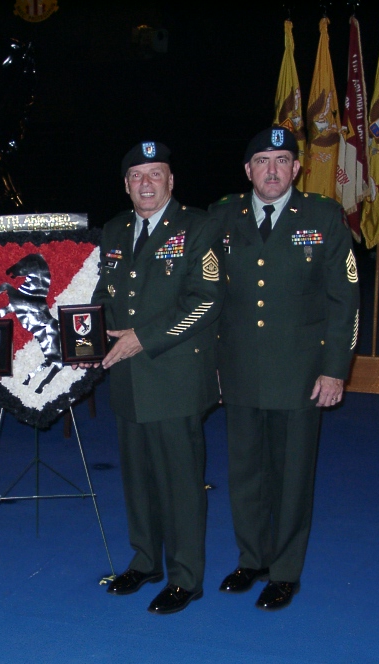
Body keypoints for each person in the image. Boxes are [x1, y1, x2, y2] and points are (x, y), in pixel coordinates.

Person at [208, 126, 360, 611]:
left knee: (292, 475)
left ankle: (285, 571)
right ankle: (252, 559)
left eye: (281, 161)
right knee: (245, 472)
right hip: (239, 368)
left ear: (296, 168)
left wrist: (335, 369)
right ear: (247, 170)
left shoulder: (322, 216)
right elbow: (207, 294)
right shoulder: (223, 216)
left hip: (301, 372)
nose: (271, 170)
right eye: (261, 161)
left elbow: (345, 300)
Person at [91, 141, 224, 615]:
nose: (145, 183)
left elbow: (207, 299)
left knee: (181, 483)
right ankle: (145, 561)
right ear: (126, 185)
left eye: (155, 173)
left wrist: (143, 338)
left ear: (171, 180)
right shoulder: (114, 229)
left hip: (174, 377)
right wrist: (86, 339)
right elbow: (106, 296)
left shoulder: (197, 226)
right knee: (138, 479)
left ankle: (186, 578)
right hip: (128, 377)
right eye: (136, 175)